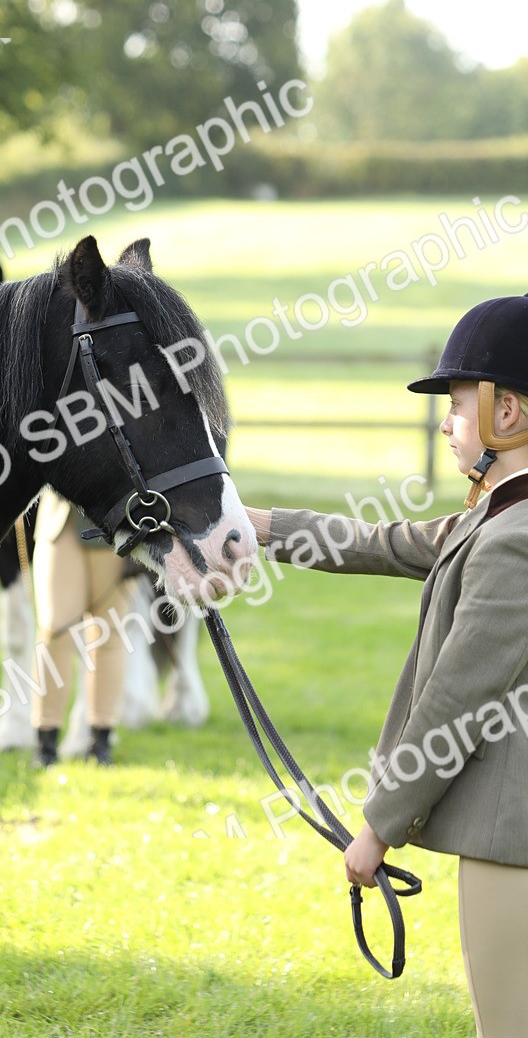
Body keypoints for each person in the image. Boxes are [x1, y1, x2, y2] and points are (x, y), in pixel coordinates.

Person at [246, 293, 528, 1038]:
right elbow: (384, 541)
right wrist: (259, 528)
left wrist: (377, 825)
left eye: (458, 403)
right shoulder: (495, 515)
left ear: (509, 414)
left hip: (515, 841)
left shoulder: (514, 540)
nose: (445, 421)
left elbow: (456, 701)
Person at [30, 489, 142, 767]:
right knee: (54, 629)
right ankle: (46, 743)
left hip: (120, 521)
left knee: (110, 633)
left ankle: (100, 742)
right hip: (62, 519)